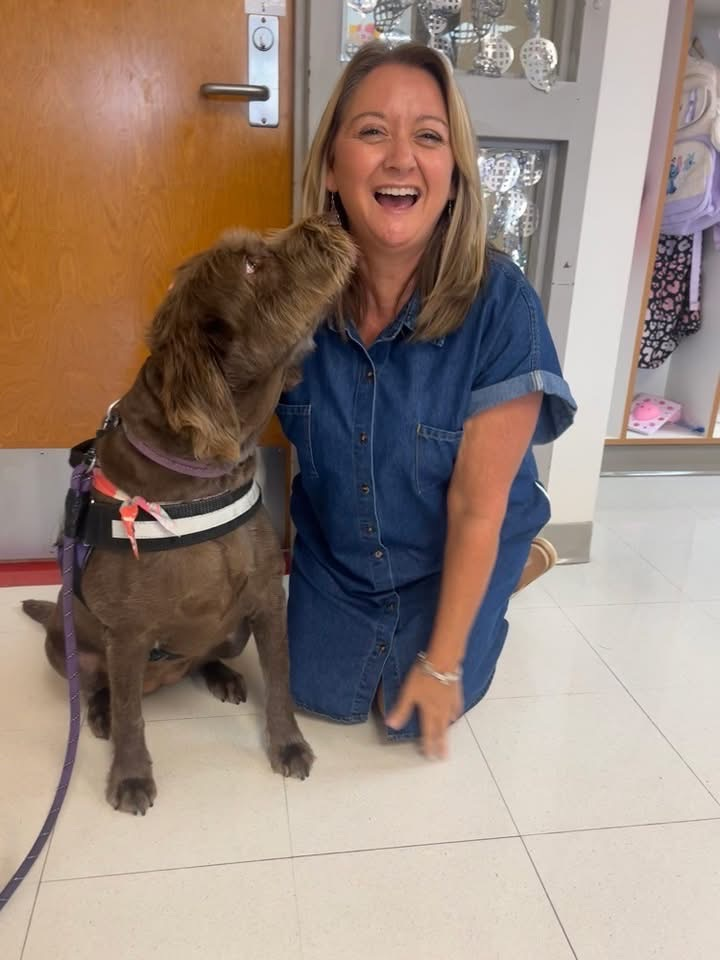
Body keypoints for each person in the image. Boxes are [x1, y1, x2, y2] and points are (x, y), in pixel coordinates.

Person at [276, 41, 576, 759]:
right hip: (343, 553)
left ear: (454, 174)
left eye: (429, 137)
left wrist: (442, 665)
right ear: (331, 166)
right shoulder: (284, 295)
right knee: (314, 693)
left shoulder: (503, 305)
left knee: (406, 716)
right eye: (372, 131)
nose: (401, 158)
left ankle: (509, 565)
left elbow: (475, 507)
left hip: (458, 541)